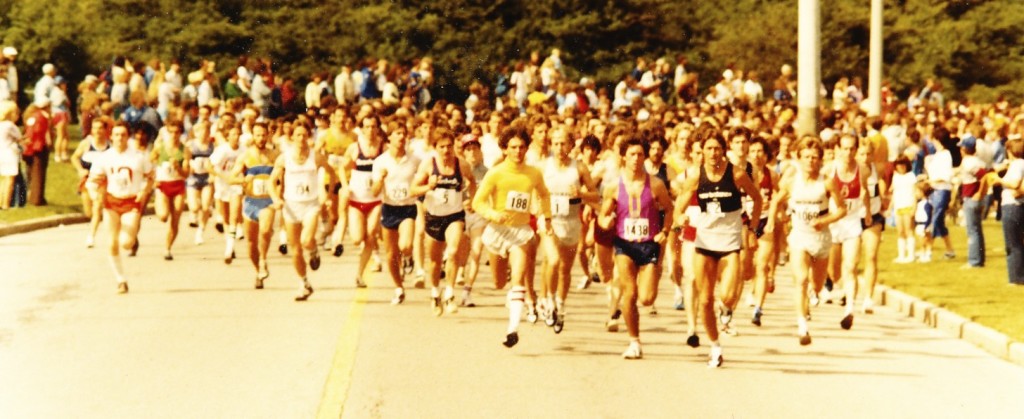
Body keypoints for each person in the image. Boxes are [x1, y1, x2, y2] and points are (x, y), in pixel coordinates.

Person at [676, 131, 761, 366]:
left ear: (723, 150)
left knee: (726, 295)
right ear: (702, 151)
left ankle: (725, 310)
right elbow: (679, 205)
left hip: (730, 244)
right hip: (704, 244)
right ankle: (715, 347)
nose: (713, 153)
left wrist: (753, 230)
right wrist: (680, 217)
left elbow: (757, 199)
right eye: (709, 148)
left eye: (717, 148)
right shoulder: (694, 177)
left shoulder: (737, 174)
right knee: (704, 301)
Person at [472, 123, 552, 348]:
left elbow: (544, 195)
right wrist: (492, 214)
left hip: (520, 232)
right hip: (497, 232)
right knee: (499, 283)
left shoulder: (534, 173)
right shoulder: (496, 173)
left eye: (522, 147)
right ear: (505, 149)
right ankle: (509, 290)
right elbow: (478, 202)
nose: (518, 152)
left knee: (518, 280)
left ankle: (512, 330)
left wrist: (546, 217)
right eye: (513, 147)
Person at [598, 136, 674, 360]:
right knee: (629, 294)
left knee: (647, 298)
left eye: (640, 154)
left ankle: (651, 281)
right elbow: (603, 216)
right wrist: (606, 222)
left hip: (649, 245)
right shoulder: (613, 187)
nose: (636, 159)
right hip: (624, 244)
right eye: (632, 154)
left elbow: (669, 210)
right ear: (623, 156)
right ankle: (634, 342)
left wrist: (665, 231)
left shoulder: (656, 184)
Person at [766, 136, 846, 345]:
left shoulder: (826, 182)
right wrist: (772, 221)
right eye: (806, 157)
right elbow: (776, 200)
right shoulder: (793, 182)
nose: (811, 161)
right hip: (799, 236)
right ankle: (802, 326)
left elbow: (843, 209)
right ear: (799, 159)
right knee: (800, 280)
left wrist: (825, 220)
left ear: (820, 160)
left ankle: (814, 294)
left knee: (816, 286)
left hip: (821, 238)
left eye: (815, 157)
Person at [268, 118, 338, 301]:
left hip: (311, 205)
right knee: (296, 249)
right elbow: (271, 181)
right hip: (291, 206)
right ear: (291, 137)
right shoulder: (284, 158)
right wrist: (276, 198)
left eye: (304, 135)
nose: (301, 138)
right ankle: (303, 282)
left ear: (309, 137)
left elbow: (332, 174)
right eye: (298, 135)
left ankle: (313, 250)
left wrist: (329, 195)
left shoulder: (316, 156)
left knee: (307, 241)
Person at [538, 125, 600, 333]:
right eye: (555, 143)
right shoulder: (544, 166)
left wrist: (581, 194)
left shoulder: (579, 168)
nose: (559, 147)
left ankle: (560, 305)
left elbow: (595, 196)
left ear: (572, 144)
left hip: (571, 221)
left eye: (563, 142)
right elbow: (533, 192)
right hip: (550, 221)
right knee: (552, 261)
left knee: (564, 268)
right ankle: (547, 301)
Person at [411, 129, 476, 315]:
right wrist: (428, 186)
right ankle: (434, 292)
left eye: (449, 146)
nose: (446, 150)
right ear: (435, 148)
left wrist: (471, 199)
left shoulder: (461, 164)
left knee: (454, 250)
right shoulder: (428, 165)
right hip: (434, 217)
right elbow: (413, 190)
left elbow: (472, 181)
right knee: (434, 261)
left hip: (455, 216)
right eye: (442, 147)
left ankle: (449, 293)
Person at [88, 121, 155, 293]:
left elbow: (151, 176)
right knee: (112, 243)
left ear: (128, 137)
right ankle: (121, 280)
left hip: (131, 201)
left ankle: (132, 241)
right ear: (111, 137)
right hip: (111, 202)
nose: (119, 138)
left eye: (123, 135)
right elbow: (92, 181)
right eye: (116, 135)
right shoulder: (105, 157)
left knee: (125, 243)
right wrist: (95, 195)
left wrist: (144, 191)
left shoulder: (138, 157)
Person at [371, 121, 422, 306]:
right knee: (391, 255)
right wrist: (381, 178)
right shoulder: (380, 161)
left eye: (403, 133)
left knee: (406, 244)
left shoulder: (415, 159)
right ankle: (399, 288)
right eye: (397, 133)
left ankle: (408, 258)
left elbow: (423, 177)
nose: (401, 137)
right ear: (389, 137)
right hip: (389, 208)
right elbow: (375, 191)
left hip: (407, 207)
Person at [825, 134, 870, 330]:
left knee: (851, 266)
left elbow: (865, 191)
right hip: (834, 222)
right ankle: (828, 283)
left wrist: (867, 212)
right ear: (838, 149)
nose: (848, 153)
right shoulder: (829, 169)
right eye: (844, 148)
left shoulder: (863, 169)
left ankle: (849, 309)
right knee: (834, 272)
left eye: (852, 148)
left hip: (852, 221)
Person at [230, 122, 279, 288]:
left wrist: (280, 194)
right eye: (257, 135)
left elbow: (283, 178)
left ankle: (264, 260)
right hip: (251, 202)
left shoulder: (275, 155)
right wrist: (243, 180)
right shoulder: (245, 156)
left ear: (268, 135)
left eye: (263, 135)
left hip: (268, 201)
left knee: (265, 230)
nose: (261, 138)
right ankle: (258, 270)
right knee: (251, 244)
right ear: (253, 136)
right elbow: (231, 178)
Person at [343, 113, 385, 288]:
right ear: (361, 129)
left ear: (378, 128)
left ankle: (360, 274)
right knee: (357, 238)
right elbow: (342, 168)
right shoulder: (354, 148)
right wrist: (345, 185)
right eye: (367, 126)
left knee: (370, 233)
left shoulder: (384, 148)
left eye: (373, 126)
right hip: (357, 198)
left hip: (376, 199)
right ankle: (369, 254)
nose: (370, 130)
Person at [748, 136, 778, 326]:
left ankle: (758, 307)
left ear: (766, 155)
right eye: (753, 151)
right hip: (746, 222)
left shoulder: (772, 175)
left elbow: (776, 197)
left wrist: (773, 217)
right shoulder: (742, 174)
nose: (757, 155)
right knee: (748, 266)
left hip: (765, 222)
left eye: (760, 151)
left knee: (762, 265)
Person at [856, 139, 888, 314]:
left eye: (868, 153)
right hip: (852, 217)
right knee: (851, 261)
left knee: (871, 256)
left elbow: (880, 183)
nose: (865, 157)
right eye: (862, 154)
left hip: (873, 217)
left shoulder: (878, 168)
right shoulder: (849, 170)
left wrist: (882, 196)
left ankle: (868, 297)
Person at [456, 134, 489, 307]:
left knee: (476, 252)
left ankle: (467, 291)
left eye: (475, 148)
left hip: (478, 216)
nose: (472, 153)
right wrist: (464, 202)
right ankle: (452, 283)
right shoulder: (457, 169)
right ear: (463, 152)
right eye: (468, 149)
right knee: (460, 253)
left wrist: (477, 204)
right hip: (459, 214)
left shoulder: (487, 172)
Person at [150, 121, 189, 260]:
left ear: (180, 133)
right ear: (167, 132)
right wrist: (153, 178)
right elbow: (150, 163)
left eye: (177, 132)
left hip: (178, 185)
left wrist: (178, 167)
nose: (174, 135)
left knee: (175, 218)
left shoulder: (184, 150)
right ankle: (158, 204)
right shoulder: (160, 147)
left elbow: (186, 174)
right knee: (163, 216)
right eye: (171, 132)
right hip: (163, 185)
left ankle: (167, 248)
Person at [71, 118, 111, 244]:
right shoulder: (86, 144)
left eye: (100, 128)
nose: (97, 131)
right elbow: (74, 157)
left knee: (97, 207)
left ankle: (91, 237)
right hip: (87, 181)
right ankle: (103, 218)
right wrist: (80, 170)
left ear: (105, 130)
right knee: (89, 212)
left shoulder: (110, 146)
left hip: (102, 182)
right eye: (94, 128)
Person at [211, 123, 246, 263]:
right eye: (233, 134)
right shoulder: (222, 150)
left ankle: (229, 249)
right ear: (228, 136)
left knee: (234, 217)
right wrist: (224, 177)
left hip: (236, 186)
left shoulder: (244, 150)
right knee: (225, 218)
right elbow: (210, 166)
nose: (236, 137)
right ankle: (229, 243)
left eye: (238, 134)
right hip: (222, 186)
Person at [921, 126, 957, 261]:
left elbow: (946, 176)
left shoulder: (945, 155)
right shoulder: (936, 155)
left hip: (942, 190)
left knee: (934, 221)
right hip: (934, 189)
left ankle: (928, 251)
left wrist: (931, 180)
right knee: (939, 222)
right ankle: (950, 250)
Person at [994, 139, 1024, 285]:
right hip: (1017, 206)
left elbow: (1015, 183)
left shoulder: (1017, 164)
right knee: (1017, 242)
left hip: (1012, 206)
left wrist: (999, 180)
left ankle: (1016, 277)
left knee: (1013, 243)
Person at [186, 120, 215, 244]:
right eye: (200, 131)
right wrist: (189, 166)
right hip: (193, 177)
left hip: (207, 178)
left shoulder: (212, 146)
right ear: (196, 133)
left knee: (205, 206)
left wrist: (213, 174)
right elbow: (185, 160)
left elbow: (216, 162)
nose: (203, 133)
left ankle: (200, 232)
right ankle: (194, 213)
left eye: (206, 131)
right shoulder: (190, 145)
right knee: (194, 207)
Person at [22, 98, 51, 206]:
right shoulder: (42, 117)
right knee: (38, 173)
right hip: (38, 147)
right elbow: (38, 132)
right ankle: (37, 198)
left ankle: (31, 196)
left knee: (30, 172)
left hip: (29, 148)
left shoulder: (31, 116)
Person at [890, 156, 917, 263]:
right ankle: (901, 255)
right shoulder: (895, 177)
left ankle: (911, 255)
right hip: (898, 206)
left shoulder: (910, 176)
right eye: (898, 165)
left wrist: (914, 207)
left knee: (908, 230)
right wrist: (890, 207)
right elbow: (894, 193)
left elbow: (914, 192)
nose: (901, 167)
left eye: (903, 165)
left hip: (908, 205)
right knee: (900, 231)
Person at [0, 100, 21, 210]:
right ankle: (6, 204)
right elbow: (19, 138)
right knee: (10, 179)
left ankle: (1, 201)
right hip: (9, 153)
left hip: (1, 152)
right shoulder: (10, 125)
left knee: (3, 179)